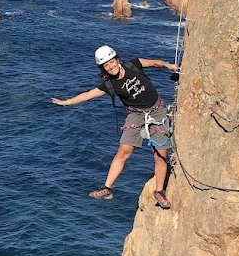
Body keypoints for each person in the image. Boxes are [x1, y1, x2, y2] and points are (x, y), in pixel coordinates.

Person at [52, 46, 179, 207]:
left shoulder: (133, 65)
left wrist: (168, 66)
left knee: (160, 154)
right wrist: (66, 102)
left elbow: (153, 63)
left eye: (112, 62)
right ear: (103, 68)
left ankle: (159, 191)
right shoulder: (110, 85)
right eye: (106, 65)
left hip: (157, 111)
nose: (110, 66)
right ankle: (107, 188)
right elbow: (89, 95)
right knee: (123, 152)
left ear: (117, 60)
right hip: (135, 115)